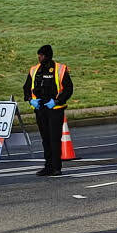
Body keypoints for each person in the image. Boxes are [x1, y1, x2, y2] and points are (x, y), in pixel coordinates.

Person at [25, 44, 74, 175]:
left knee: (54, 138)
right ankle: (48, 166)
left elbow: (68, 89)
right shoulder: (34, 70)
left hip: (55, 109)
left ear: (46, 56)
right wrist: (31, 100)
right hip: (40, 108)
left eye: (40, 55)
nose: (39, 58)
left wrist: (57, 101)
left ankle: (56, 167)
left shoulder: (60, 69)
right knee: (45, 138)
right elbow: (26, 88)